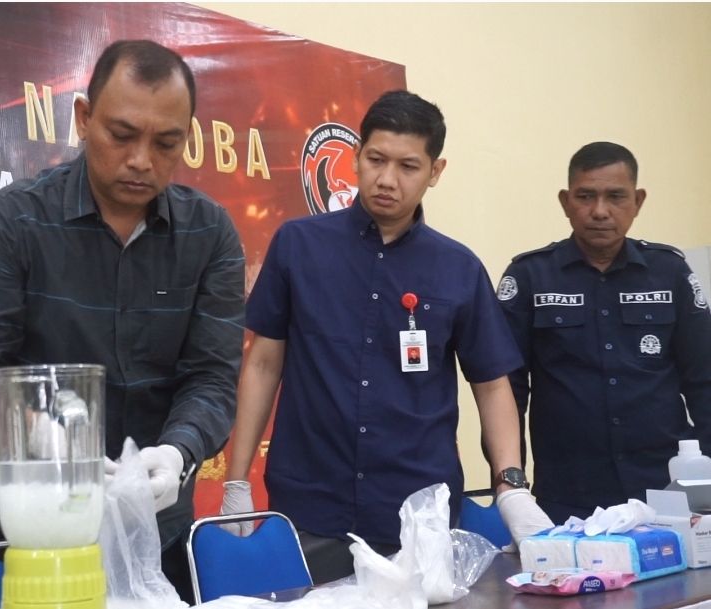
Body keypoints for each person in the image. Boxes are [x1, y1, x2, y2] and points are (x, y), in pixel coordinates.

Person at [0, 40, 244, 602]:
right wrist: (44, 437)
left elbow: (212, 377)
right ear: (83, 118)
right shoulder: (13, 223)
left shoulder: (210, 234)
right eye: (122, 135)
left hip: (160, 521)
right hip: (43, 526)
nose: (141, 160)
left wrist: (177, 453)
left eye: (166, 143)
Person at [218, 90, 552, 584]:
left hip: (419, 514)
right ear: (356, 156)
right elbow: (264, 364)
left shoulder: (458, 268)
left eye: (408, 166)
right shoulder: (298, 245)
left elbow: (491, 384)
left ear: (435, 171)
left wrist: (512, 485)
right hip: (310, 505)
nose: (387, 179)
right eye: (376, 159)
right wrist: (236, 481)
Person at [497, 142, 711, 523]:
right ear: (565, 202)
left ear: (638, 201)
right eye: (585, 196)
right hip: (567, 496)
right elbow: (507, 394)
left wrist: (705, 483)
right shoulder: (530, 277)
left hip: (667, 493)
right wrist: (513, 489)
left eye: (615, 196)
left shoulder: (670, 273)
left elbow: (703, 380)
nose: (599, 211)